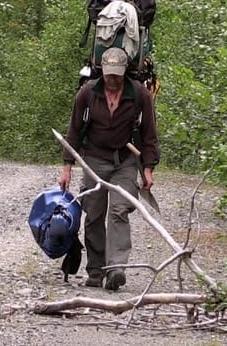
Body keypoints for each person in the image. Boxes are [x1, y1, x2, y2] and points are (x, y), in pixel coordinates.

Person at [59, 47, 159, 290]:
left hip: (125, 161)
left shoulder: (139, 94)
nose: (112, 79)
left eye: (117, 74)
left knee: (119, 210)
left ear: (124, 72)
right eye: (108, 74)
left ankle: (116, 268)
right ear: (102, 71)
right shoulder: (87, 92)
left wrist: (148, 169)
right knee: (93, 214)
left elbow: (149, 135)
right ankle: (95, 270)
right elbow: (73, 131)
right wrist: (67, 167)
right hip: (94, 158)